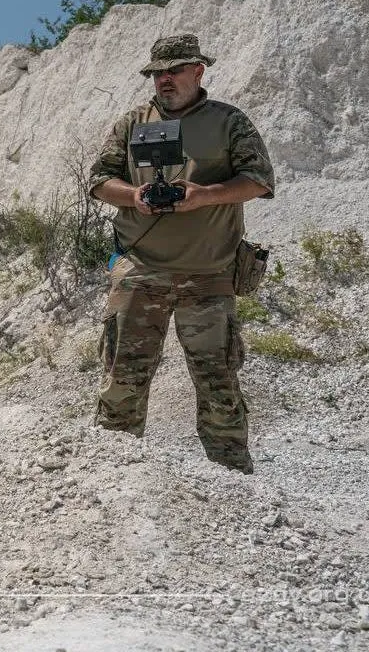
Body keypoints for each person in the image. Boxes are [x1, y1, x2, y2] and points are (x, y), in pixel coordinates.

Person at [86, 33, 275, 474]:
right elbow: (98, 179)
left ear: (198, 71)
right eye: (157, 73)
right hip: (140, 269)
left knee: (218, 383)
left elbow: (260, 181)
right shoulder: (132, 123)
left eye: (173, 71)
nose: (164, 80)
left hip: (209, 273)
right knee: (123, 380)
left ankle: (232, 481)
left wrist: (204, 194)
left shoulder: (230, 123)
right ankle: (112, 478)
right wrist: (133, 195)